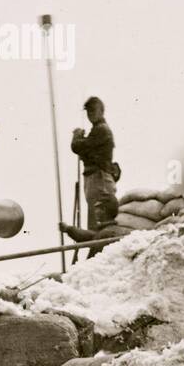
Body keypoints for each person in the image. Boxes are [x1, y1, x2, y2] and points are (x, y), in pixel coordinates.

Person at [71, 97, 119, 230]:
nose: (90, 114)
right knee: (95, 218)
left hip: (99, 178)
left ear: (101, 111)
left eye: (93, 110)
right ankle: (95, 247)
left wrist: (77, 136)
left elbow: (77, 147)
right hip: (94, 178)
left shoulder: (101, 129)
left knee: (99, 218)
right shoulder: (97, 130)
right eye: (88, 111)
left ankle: (97, 247)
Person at [59, 194, 129, 257]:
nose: (95, 212)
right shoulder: (116, 231)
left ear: (103, 210)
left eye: (97, 208)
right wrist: (68, 229)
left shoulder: (104, 234)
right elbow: (89, 235)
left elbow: (93, 262)